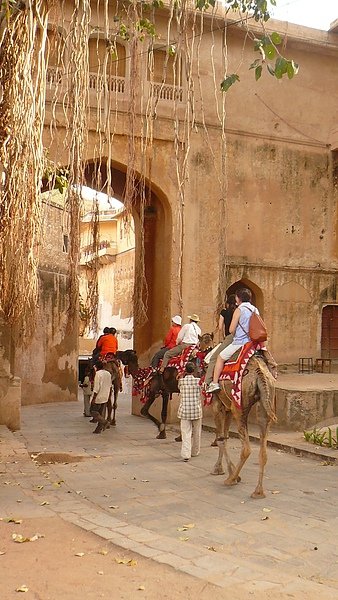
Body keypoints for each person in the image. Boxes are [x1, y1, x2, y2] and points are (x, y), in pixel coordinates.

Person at [207, 288, 259, 393]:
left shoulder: (239, 310)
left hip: (239, 343)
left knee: (220, 358)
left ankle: (215, 383)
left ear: (239, 298)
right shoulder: (255, 309)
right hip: (253, 344)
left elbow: (231, 329)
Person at [204, 294, 237, 386]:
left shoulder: (224, 312)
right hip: (241, 338)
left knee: (214, 358)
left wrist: (223, 338)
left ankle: (207, 382)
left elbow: (220, 327)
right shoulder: (238, 312)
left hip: (230, 338)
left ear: (227, 303)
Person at [177, 362, 203, 462]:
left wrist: (181, 375)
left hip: (184, 410)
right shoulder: (198, 381)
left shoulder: (181, 381)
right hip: (196, 410)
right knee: (197, 432)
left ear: (185, 370)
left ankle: (186, 454)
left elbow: (179, 388)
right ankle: (195, 451)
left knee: (185, 432)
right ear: (194, 370)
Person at [90, 361, 112, 434]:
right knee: (101, 413)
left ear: (96, 367)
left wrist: (94, 398)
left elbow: (96, 387)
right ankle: (98, 429)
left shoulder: (98, 374)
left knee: (93, 412)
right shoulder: (108, 373)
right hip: (105, 395)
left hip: (98, 397)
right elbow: (110, 385)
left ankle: (105, 422)